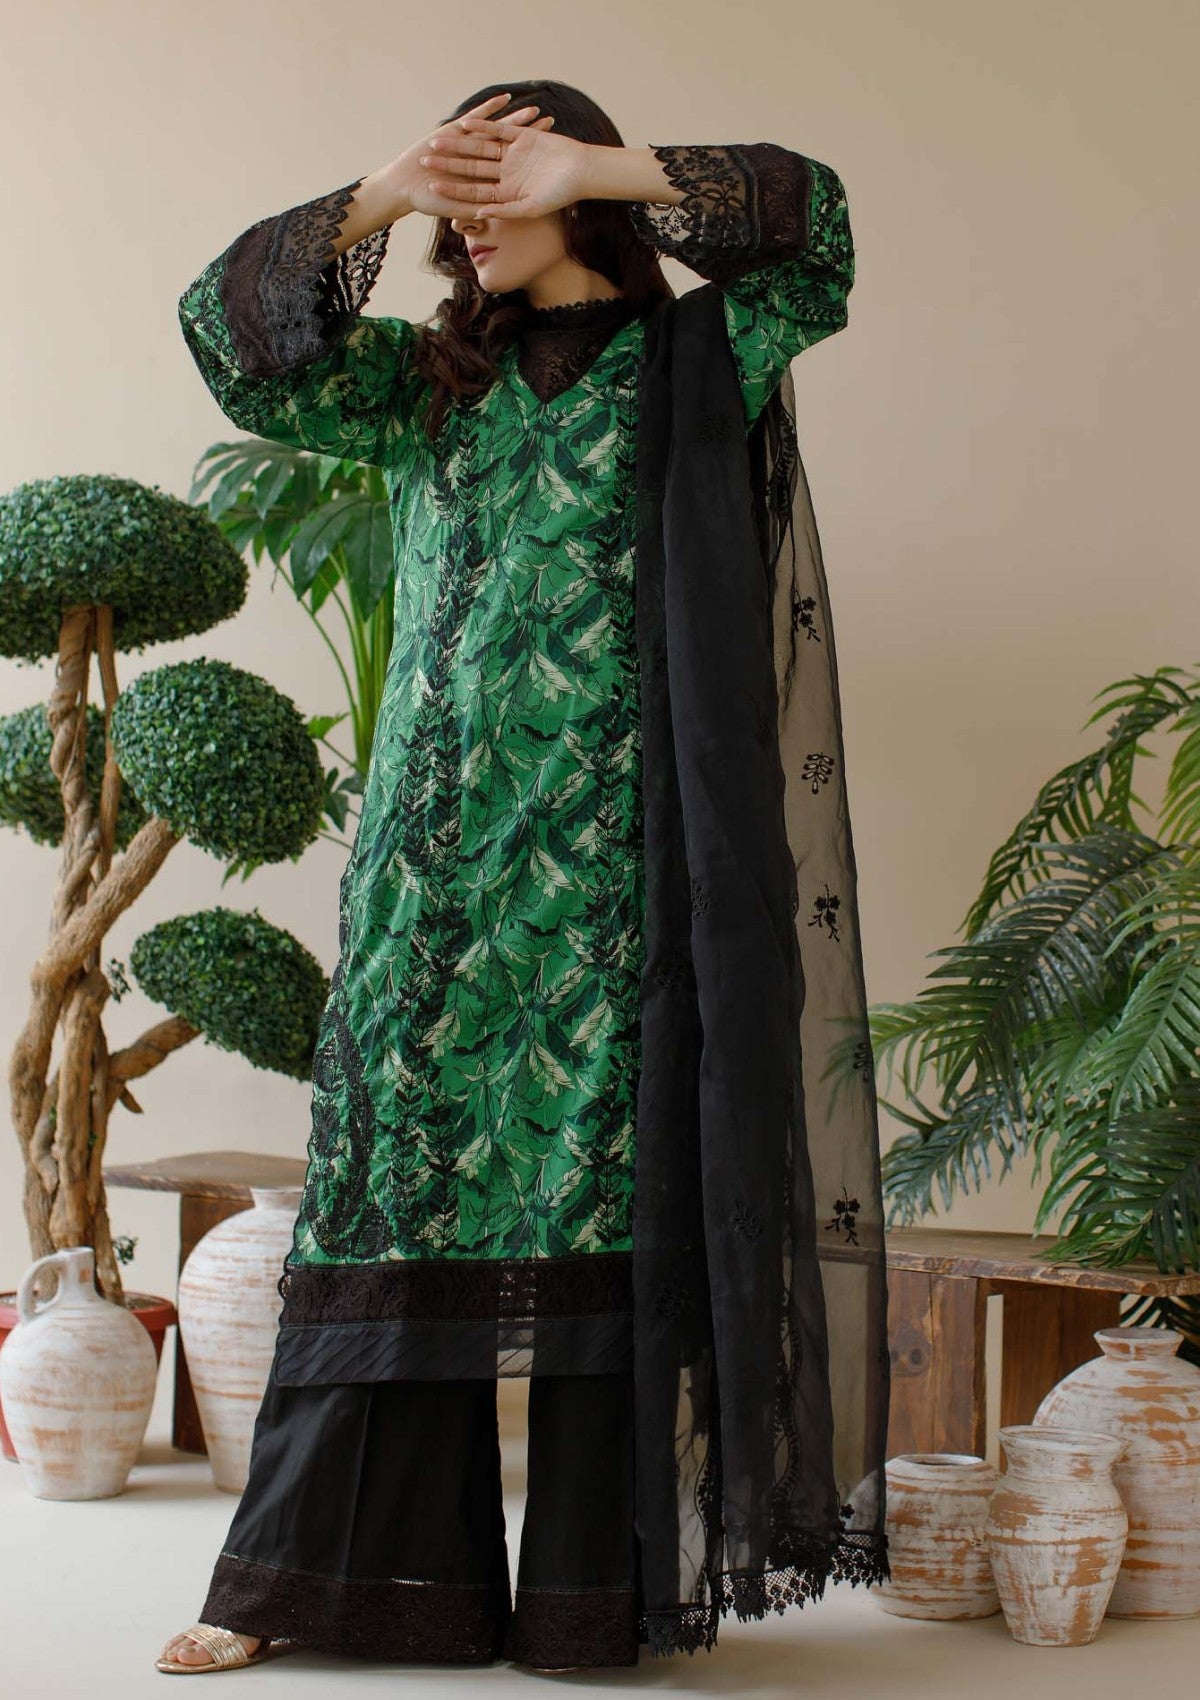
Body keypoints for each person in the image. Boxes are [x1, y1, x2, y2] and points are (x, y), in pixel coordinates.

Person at [158, 79, 886, 1676]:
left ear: (582, 197)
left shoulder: (694, 359)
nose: (472, 224)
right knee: (382, 1204)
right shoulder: (416, 388)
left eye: (508, 189)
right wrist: (381, 187)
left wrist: (592, 160)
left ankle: (582, 1599)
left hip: (619, 889)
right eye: (460, 202)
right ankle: (318, 1586)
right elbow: (226, 335)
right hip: (430, 880)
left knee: (597, 1215)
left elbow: (816, 234)